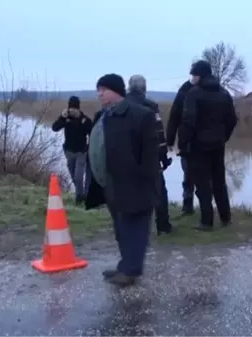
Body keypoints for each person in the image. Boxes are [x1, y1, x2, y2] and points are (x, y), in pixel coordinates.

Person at [84, 73, 159, 287]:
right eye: (98, 90)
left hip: (134, 184)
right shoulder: (103, 116)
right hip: (111, 183)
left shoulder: (140, 115)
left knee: (135, 228)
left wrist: (145, 182)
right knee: (120, 228)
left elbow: (150, 156)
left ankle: (131, 270)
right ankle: (125, 264)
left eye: (103, 90)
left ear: (116, 91)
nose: (99, 94)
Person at [178, 60, 238, 231]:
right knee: (219, 181)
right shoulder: (224, 93)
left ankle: (207, 221)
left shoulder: (194, 94)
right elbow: (232, 119)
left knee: (203, 183)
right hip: (218, 144)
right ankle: (226, 218)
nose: (192, 78)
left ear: (199, 75)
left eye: (193, 75)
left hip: (198, 145)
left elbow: (188, 121)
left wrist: (183, 143)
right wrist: (223, 137)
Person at [126, 74, 174, 235]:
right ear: (144, 89)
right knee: (159, 191)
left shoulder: (120, 107)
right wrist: (164, 158)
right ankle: (163, 226)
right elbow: (159, 134)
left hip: (126, 158)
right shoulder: (151, 107)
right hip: (150, 158)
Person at [51, 96, 92, 205]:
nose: (72, 111)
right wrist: (62, 117)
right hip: (69, 152)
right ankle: (81, 194)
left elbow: (92, 131)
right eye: (71, 108)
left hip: (81, 152)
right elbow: (55, 128)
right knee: (74, 176)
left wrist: (83, 122)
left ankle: (79, 198)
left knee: (78, 177)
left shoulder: (84, 119)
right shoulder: (65, 118)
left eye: (74, 108)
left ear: (78, 108)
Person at [165, 78, 196, 217]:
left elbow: (174, 116)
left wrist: (170, 140)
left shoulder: (185, 91)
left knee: (189, 175)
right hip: (205, 143)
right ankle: (199, 208)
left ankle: (188, 206)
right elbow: (174, 115)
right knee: (193, 175)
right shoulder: (217, 90)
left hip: (188, 141)